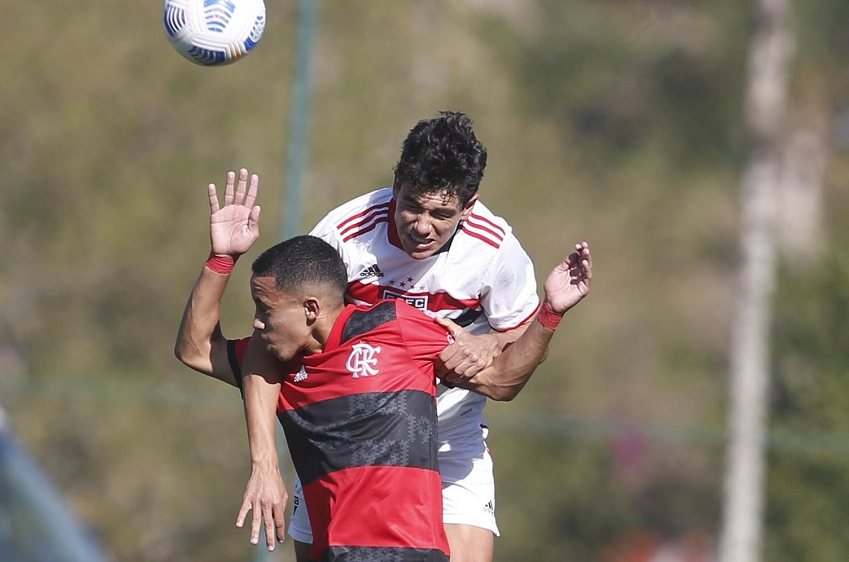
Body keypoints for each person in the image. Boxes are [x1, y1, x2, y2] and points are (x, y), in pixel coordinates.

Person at [175, 166, 593, 560]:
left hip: (428, 506)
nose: (256, 321)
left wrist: (550, 313)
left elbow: (501, 382)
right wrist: (220, 258)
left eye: (265, 309)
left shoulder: (398, 328)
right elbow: (195, 349)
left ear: (310, 309)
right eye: (413, 206)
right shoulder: (283, 362)